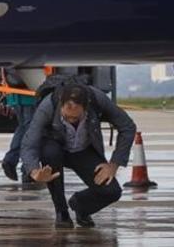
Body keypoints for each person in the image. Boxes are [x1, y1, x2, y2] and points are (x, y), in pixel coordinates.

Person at [21, 83, 135, 228]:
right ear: (61, 105)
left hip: (83, 150)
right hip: (56, 148)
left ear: (86, 108)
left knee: (112, 191)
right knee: (50, 153)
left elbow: (128, 126)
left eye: (75, 118)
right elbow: (28, 143)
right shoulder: (48, 106)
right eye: (66, 117)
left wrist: (113, 164)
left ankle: (81, 206)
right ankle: (61, 212)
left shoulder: (97, 99)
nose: (70, 121)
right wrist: (34, 171)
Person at [0, 69, 39, 182]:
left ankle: (10, 160)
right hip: (30, 94)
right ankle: (27, 168)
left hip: (16, 95)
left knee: (23, 128)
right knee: (31, 132)